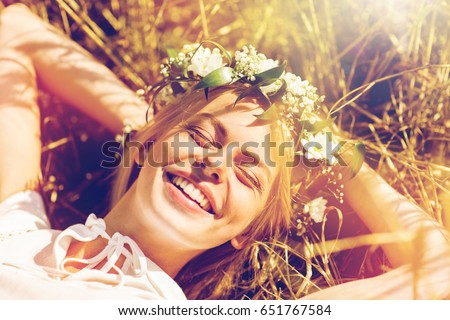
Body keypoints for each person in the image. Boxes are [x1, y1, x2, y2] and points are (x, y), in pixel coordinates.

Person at [0, 4, 448, 300]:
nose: (213, 165)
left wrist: (334, 152)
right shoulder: (14, 224)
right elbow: (15, 30)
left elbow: (439, 273)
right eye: (202, 138)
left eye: (249, 173)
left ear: (246, 234)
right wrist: (154, 129)